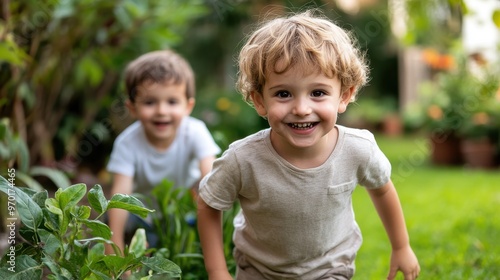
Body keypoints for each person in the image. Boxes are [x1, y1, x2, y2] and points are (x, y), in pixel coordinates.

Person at [197, 10, 420, 280]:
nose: (302, 109)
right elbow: (209, 204)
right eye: (283, 94)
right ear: (259, 100)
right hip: (258, 270)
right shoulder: (243, 159)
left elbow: (382, 190)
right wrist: (217, 272)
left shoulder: (358, 149)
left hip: (330, 269)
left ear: (344, 95)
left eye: (318, 93)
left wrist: (401, 246)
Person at [105, 49, 221, 254]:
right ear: (132, 108)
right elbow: (120, 198)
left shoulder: (195, 132)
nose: (161, 111)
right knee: (121, 224)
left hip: (182, 212)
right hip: (142, 215)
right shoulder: (127, 143)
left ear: (188, 106)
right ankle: (138, 256)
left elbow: (211, 178)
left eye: (172, 102)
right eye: (150, 102)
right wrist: (112, 249)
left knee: (191, 235)